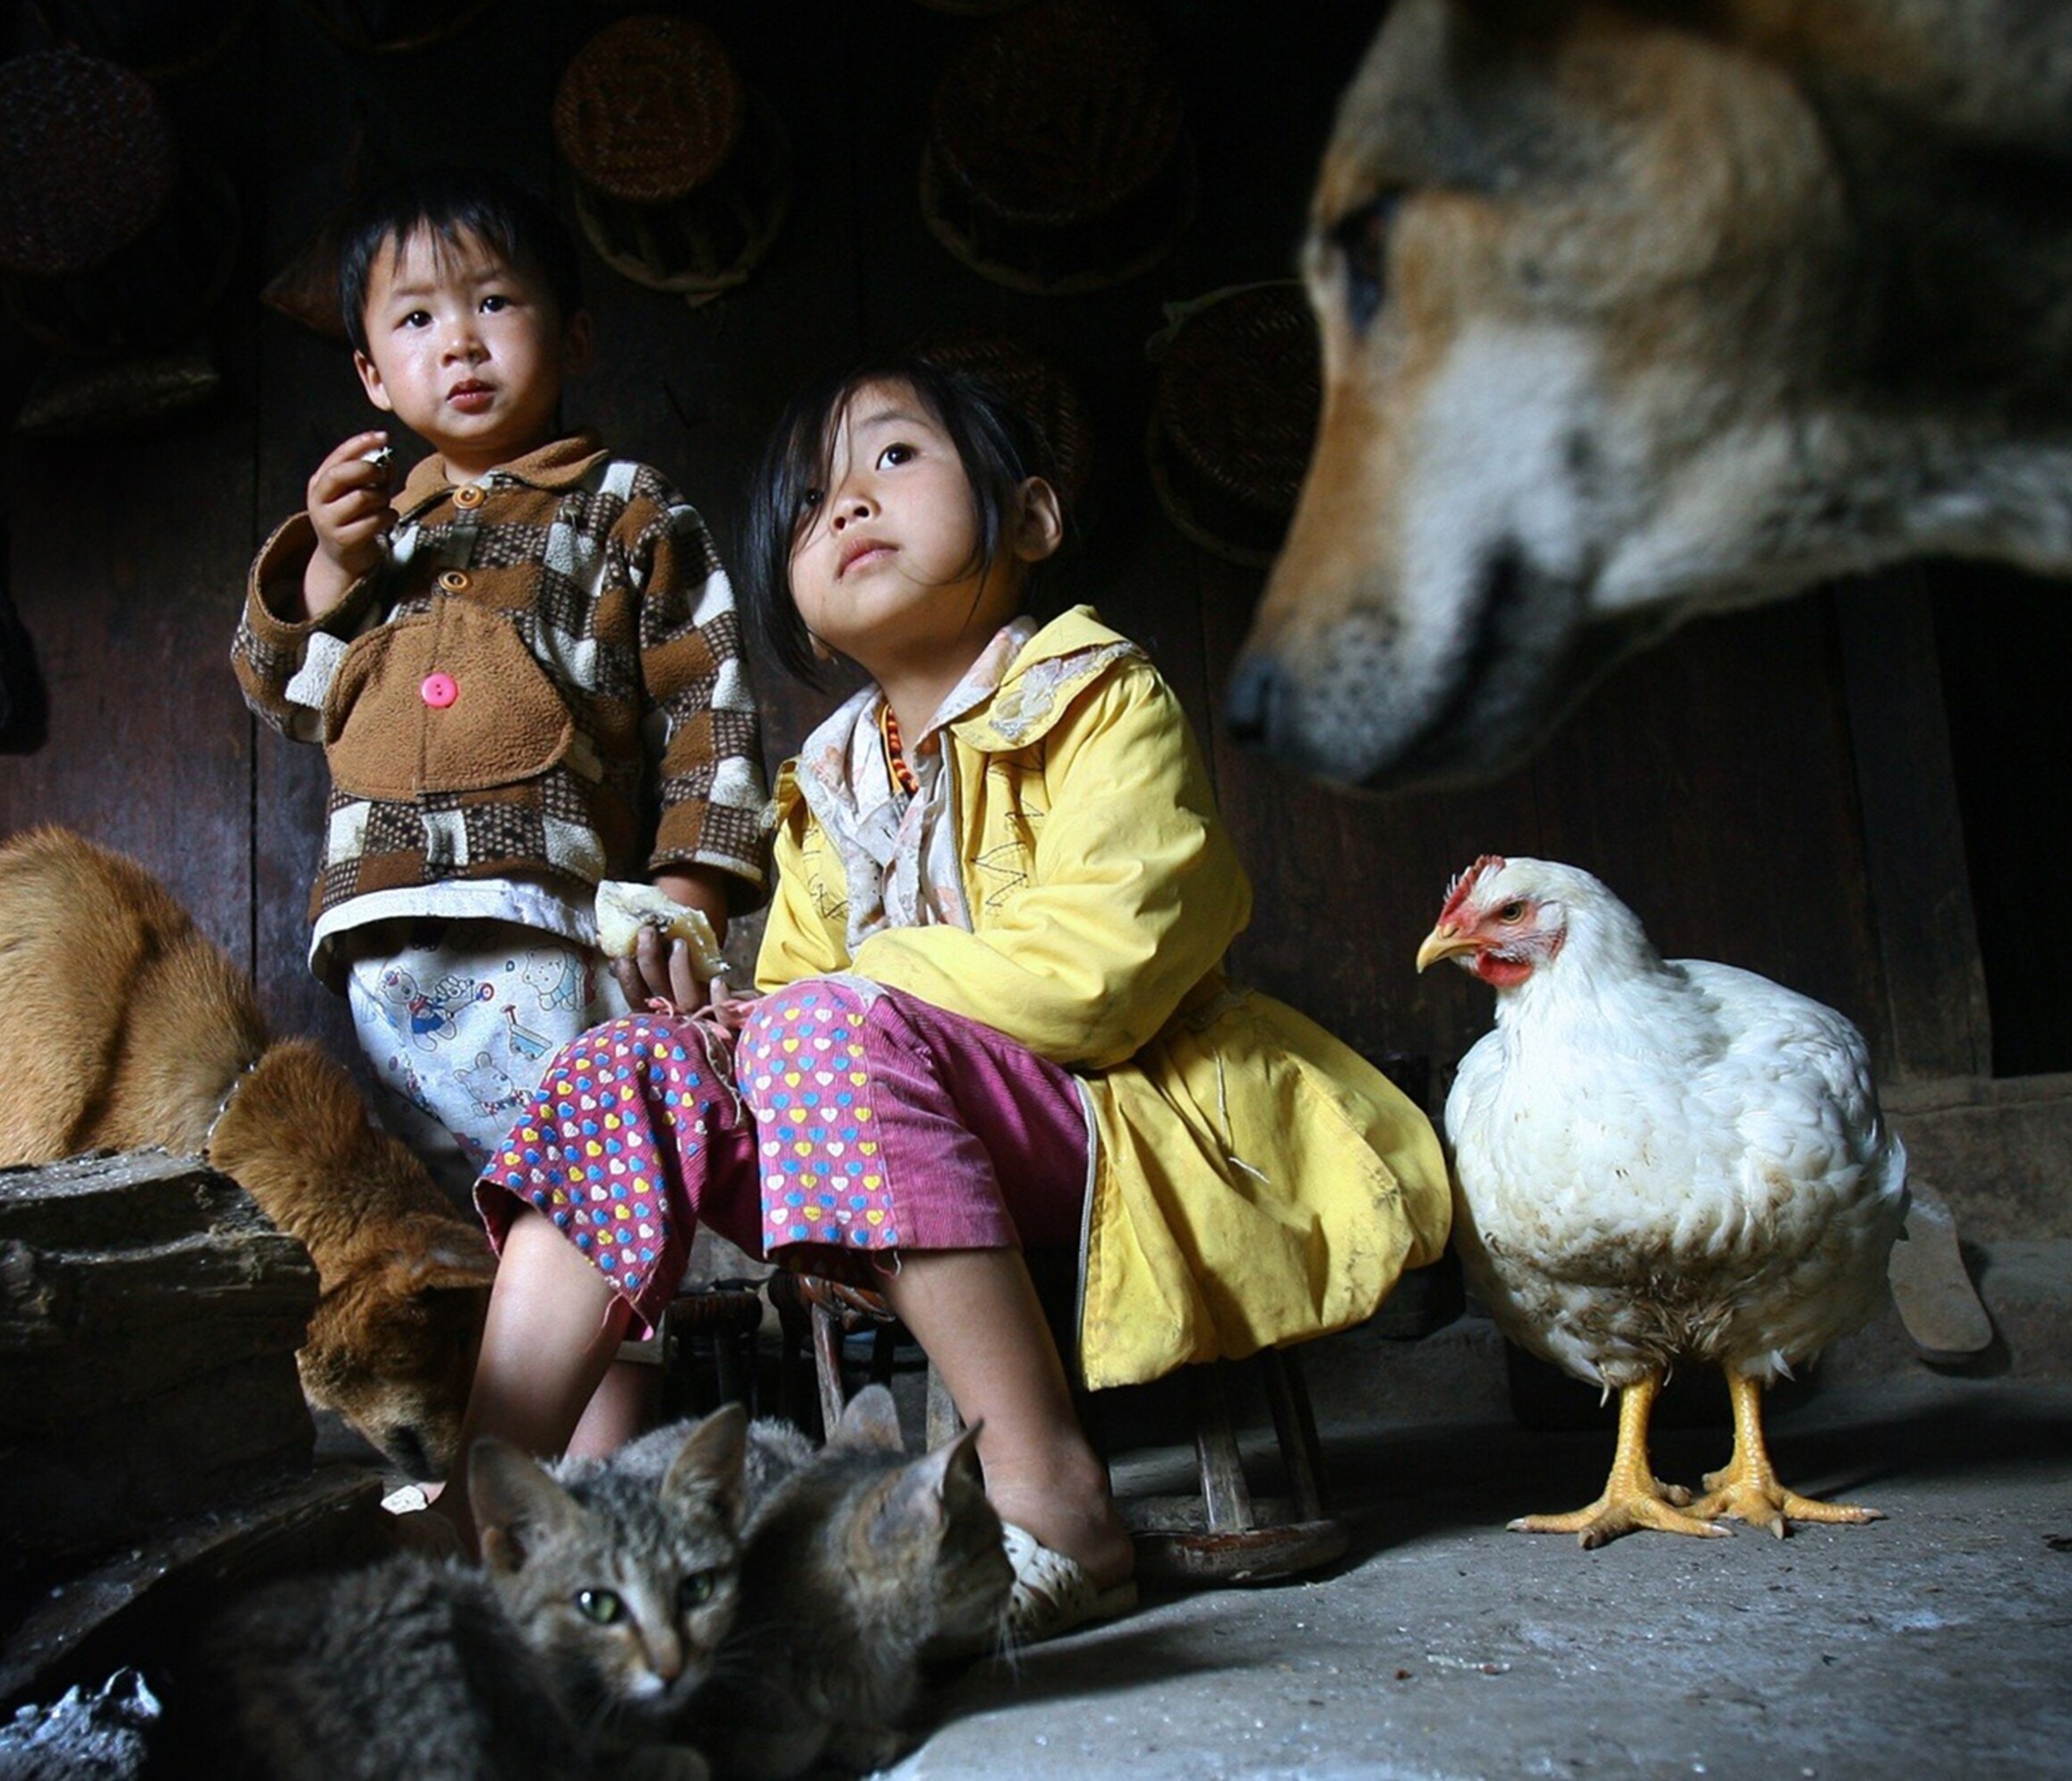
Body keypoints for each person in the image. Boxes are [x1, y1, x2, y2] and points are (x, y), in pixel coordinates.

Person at [451, 353, 1454, 1640]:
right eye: (814, 505)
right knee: (621, 1066)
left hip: (1112, 1119)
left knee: (820, 1028)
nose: (851, 505)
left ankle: (1050, 1496)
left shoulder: (1099, 696)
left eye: (895, 459)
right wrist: (715, 1029)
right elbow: (799, 1012)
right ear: (808, 619)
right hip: (879, 1144)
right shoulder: (823, 788)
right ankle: (487, 1522)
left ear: (1029, 519)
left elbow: (1112, 963)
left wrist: (821, 1008)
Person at [233, 169, 771, 1444]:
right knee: (482, 1218)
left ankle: (595, 1473)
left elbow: (713, 714)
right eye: (415, 321)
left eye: (493, 304)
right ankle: (528, 1492)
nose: (458, 341)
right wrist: (321, 563)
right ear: (371, 376)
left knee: (586, 1199)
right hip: (381, 940)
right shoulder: (370, 535)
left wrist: (687, 897)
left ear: (573, 337)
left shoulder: (623, 507)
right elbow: (286, 696)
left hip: (543, 925)